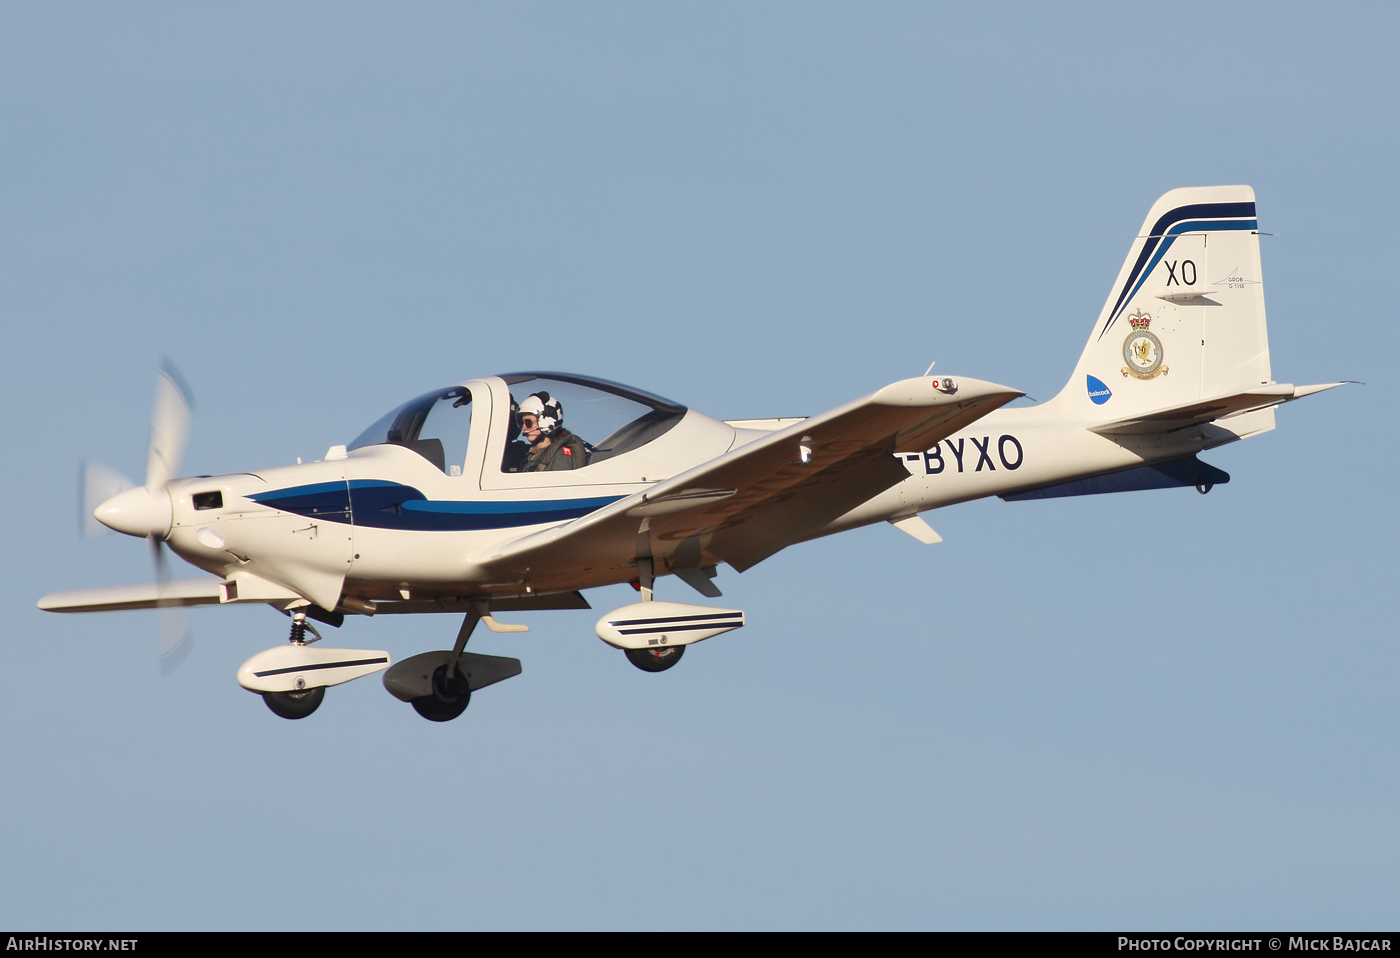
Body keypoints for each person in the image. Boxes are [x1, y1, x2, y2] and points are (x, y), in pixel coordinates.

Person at [517, 392, 586, 471]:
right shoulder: (529, 456)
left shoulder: (560, 457)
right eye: (522, 423)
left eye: (528, 422)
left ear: (546, 421)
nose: (523, 427)